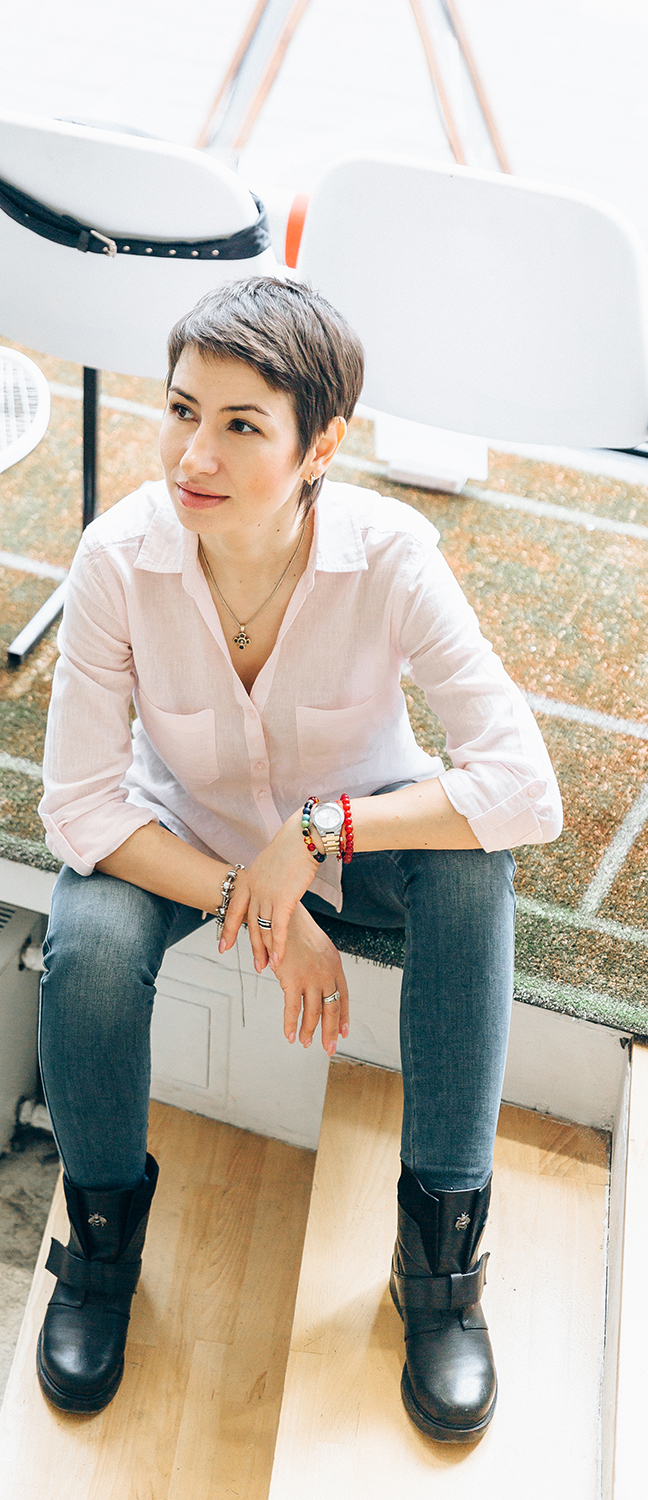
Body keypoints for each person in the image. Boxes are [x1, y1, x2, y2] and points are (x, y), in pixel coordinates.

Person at [35, 276, 561, 1442]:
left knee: (473, 868)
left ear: (319, 446)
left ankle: (439, 1267)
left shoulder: (391, 557)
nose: (193, 456)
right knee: (88, 943)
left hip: (355, 833)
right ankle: (100, 1251)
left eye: (240, 425)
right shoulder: (117, 560)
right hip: (183, 834)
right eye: (182, 410)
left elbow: (526, 789)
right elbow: (78, 807)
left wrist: (317, 834)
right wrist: (259, 899)